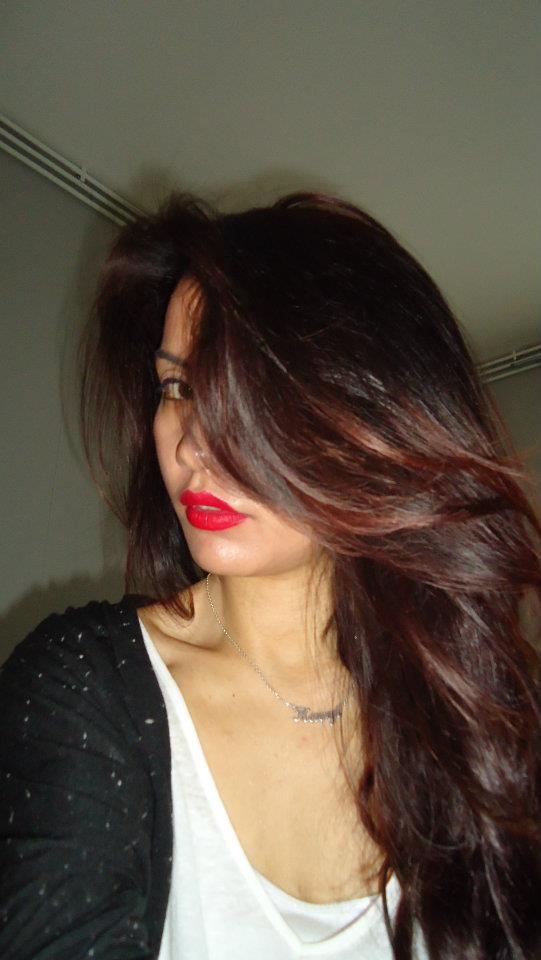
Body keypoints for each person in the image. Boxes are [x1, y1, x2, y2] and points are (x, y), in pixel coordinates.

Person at [0, 192, 539, 960]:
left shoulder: (477, 708)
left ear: (371, 419)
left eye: (251, 392)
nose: (193, 446)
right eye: (177, 387)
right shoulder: (82, 691)